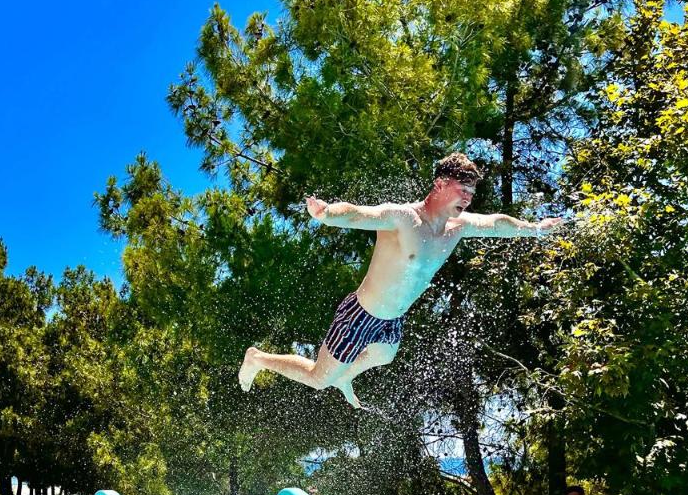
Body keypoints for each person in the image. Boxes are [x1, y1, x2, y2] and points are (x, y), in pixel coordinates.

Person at [238, 152, 564, 408]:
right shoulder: (404, 218)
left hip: (393, 318)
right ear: (440, 184)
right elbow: (360, 213)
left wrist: (534, 229)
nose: (468, 198)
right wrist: (327, 214)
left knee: (385, 355)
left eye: (471, 192)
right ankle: (258, 358)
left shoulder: (458, 227)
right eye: (462, 190)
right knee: (318, 378)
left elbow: (496, 223)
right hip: (360, 314)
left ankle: (344, 376)